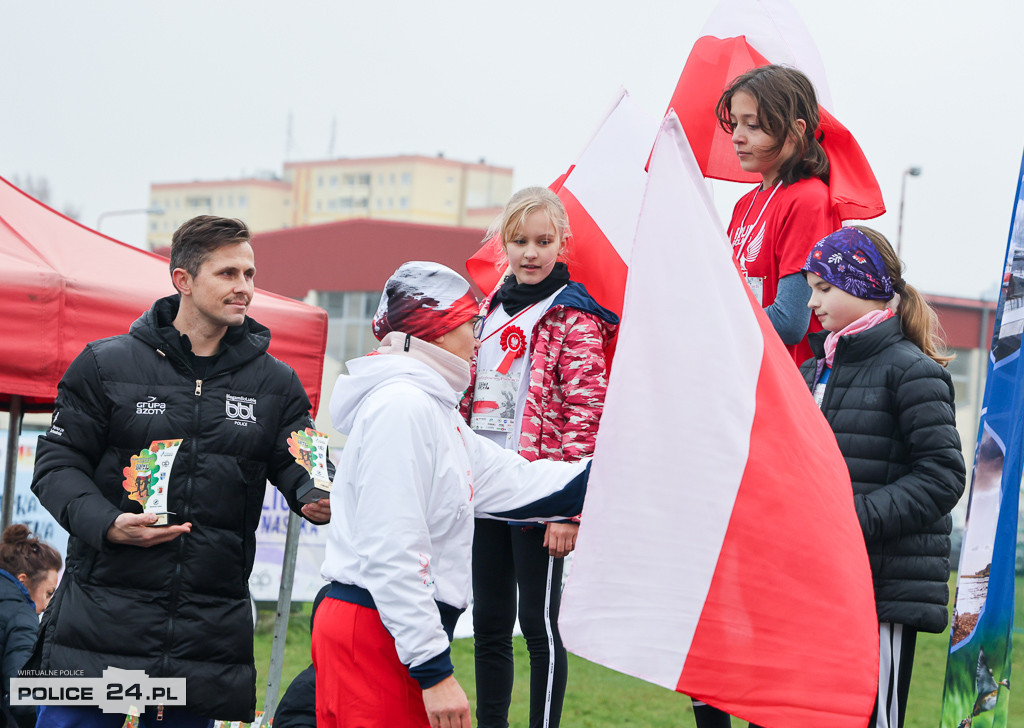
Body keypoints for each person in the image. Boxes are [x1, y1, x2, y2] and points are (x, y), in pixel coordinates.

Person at [29, 215, 331, 728]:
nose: (245, 288)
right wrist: (106, 522)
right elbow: (56, 465)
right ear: (183, 280)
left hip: (203, 636)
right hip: (100, 625)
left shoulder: (275, 383)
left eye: (250, 275)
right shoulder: (106, 365)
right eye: (228, 274)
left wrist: (315, 490)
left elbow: (304, 458)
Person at [313, 261, 592, 728]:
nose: (478, 336)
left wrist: (622, 474)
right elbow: (392, 549)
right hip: (379, 625)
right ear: (438, 332)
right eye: (470, 323)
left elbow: (518, 484)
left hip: (392, 626)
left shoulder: (434, 411)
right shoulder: (402, 406)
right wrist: (434, 670)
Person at [459, 187, 617, 728]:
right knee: (490, 625)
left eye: (543, 241)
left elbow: (586, 415)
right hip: (485, 487)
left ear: (562, 243)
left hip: (539, 490)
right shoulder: (483, 312)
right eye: (520, 240)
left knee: (539, 627)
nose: (530, 252)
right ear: (504, 243)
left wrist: (567, 510)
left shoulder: (575, 316)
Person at [800, 226, 965, 728]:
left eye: (824, 288)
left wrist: (847, 522)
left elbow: (941, 477)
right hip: (811, 586)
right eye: (810, 288)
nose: (811, 302)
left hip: (880, 591)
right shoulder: (812, 373)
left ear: (866, 285)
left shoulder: (912, 371)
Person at [718, 64, 841, 366]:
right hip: (744, 373)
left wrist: (709, 322)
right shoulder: (744, 204)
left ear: (797, 130)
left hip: (786, 381)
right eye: (734, 123)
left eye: (753, 125)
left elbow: (789, 321)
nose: (737, 137)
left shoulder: (809, 199)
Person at [0, 525, 61, 728]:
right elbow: (23, 696)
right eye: (49, 593)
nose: (47, 605)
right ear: (23, 581)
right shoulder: (21, 615)